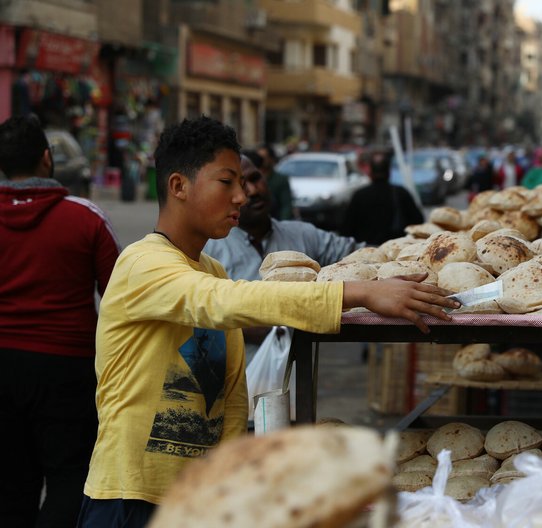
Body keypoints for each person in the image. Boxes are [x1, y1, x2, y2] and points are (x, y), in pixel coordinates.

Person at [79, 116, 458, 527]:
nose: (242, 196)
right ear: (178, 186)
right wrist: (359, 293)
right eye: (227, 182)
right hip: (129, 499)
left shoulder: (212, 269)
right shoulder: (142, 263)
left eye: (243, 183)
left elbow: (230, 398)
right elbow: (222, 302)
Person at [0, 115, 120, 527]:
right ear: (47, 159)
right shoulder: (85, 217)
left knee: (10, 486)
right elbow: (122, 298)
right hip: (67, 369)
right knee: (71, 480)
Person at [204, 153, 363, 362]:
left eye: (255, 179)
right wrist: (262, 325)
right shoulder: (208, 251)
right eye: (241, 185)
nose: (252, 191)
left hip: (297, 381)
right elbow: (202, 320)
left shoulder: (302, 234)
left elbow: (361, 256)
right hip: (236, 382)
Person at [340, 149, 424, 246]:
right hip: (396, 251)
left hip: (364, 253)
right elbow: (418, 222)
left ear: (370, 172)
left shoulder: (359, 195)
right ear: (389, 172)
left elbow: (346, 229)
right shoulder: (401, 193)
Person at [256, 144, 295, 221]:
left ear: (271, 159)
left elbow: (286, 206)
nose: (260, 161)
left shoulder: (280, 179)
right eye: (258, 158)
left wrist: (283, 225)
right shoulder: (252, 178)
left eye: (263, 158)